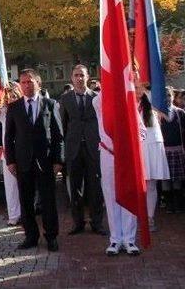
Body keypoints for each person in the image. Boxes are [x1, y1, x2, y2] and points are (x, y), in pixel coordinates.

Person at [5, 69, 63, 252]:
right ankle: (31, 236)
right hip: (23, 162)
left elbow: (58, 135)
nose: (26, 85)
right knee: (26, 201)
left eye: (30, 81)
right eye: (22, 82)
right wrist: (10, 161)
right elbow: (9, 137)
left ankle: (51, 236)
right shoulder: (14, 107)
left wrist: (58, 160)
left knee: (48, 201)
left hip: (45, 161)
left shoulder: (50, 104)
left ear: (38, 83)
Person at [59, 65, 106, 236]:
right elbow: (62, 126)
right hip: (74, 149)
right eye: (76, 75)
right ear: (71, 78)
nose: (79, 78)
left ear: (88, 77)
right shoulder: (65, 99)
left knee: (95, 187)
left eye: (82, 75)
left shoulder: (97, 97)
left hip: (94, 148)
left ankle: (97, 222)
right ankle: (78, 223)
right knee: (75, 186)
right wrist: (65, 150)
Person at [92, 93, 140, 256]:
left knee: (128, 194)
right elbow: (98, 99)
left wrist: (133, 141)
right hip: (108, 154)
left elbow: (141, 130)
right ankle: (115, 238)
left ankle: (129, 238)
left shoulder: (130, 102)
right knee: (111, 195)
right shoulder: (100, 102)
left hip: (126, 155)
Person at [136, 85, 170, 232]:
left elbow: (167, 115)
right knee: (137, 184)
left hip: (151, 144)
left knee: (150, 183)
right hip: (135, 146)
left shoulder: (152, 97)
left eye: (140, 86)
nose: (138, 89)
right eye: (135, 86)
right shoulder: (127, 98)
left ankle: (149, 218)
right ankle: (138, 216)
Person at [0, 82, 22, 226]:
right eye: (9, 96)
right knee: (10, 186)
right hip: (8, 154)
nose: (12, 98)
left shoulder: (25, 108)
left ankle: (27, 212)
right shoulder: (4, 111)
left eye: (14, 95)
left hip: (24, 152)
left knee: (26, 185)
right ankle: (14, 214)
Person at [160, 86, 185, 213]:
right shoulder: (157, 114)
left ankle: (178, 204)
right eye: (165, 96)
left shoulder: (180, 113)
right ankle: (169, 205)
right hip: (163, 151)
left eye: (169, 95)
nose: (167, 98)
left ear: (172, 97)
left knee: (177, 179)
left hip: (177, 149)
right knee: (165, 179)